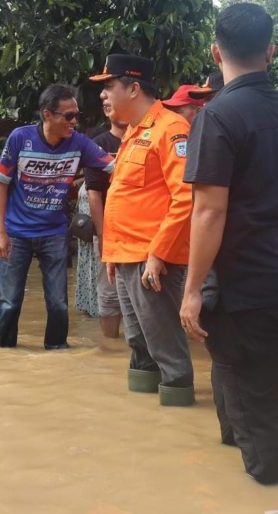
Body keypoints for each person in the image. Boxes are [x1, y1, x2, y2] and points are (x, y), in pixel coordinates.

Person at [180, 2, 278, 484]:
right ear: (271, 52)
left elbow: (210, 211)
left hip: (247, 289)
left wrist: (193, 289)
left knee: (256, 415)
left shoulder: (216, 117)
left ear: (216, 53)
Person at [88, 55, 195, 406]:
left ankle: (179, 414)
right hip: (126, 257)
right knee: (138, 344)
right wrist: (112, 255)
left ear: (133, 88)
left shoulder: (172, 128)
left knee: (165, 345)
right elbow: (127, 197)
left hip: (153, 260)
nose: (104, 95)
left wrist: (158, 253)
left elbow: (185, 197)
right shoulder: (133, 132)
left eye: (109, 86)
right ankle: (146, 424)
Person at [0, 84, 112, 349]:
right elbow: (1, 184)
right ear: (48, 115)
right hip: (16, 234)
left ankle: (57, 351)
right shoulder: (19, 138)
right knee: (10, 302)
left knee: (59, 303)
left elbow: (116, 167)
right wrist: (0, 233)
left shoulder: (79, 143)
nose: (75, 122)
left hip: (54, 233)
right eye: (68, 116)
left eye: (76, 115)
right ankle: (3, 356)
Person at [75, 106, 127, 337]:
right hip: (110, 229)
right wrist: (104, 236)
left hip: (143, 230)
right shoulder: (99, 145)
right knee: (109, 293)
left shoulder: (147, 138)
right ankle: (110, 347)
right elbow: (94, 193)